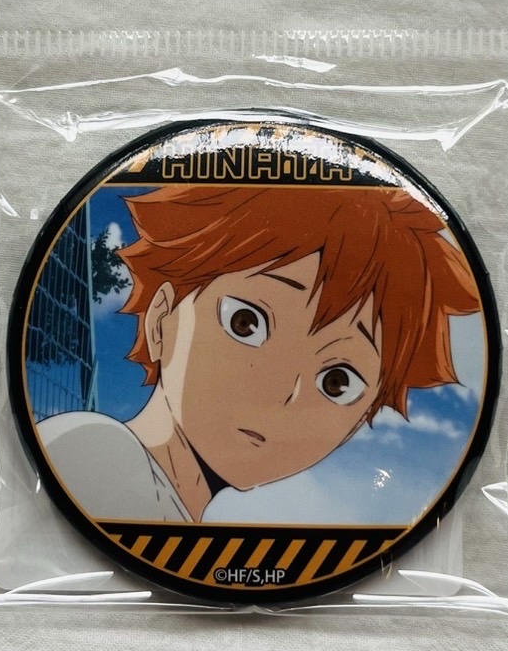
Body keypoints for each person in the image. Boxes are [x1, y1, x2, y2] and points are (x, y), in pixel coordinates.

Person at [36, 183, 481, 522]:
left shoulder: (167, 504)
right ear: (160, 319)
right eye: (246, 323)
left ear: (361, 418)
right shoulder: (95, 452)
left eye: (337, 381)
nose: (281, 392)